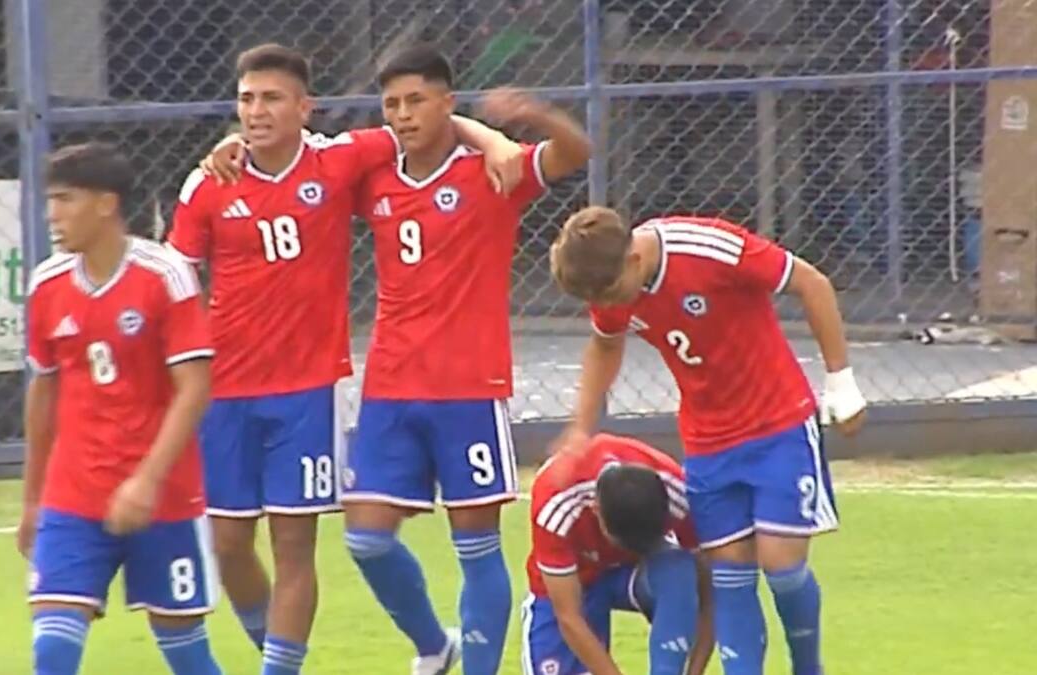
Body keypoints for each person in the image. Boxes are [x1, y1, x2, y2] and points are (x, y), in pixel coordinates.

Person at [173, 43, 523, 675]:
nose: (257, 111)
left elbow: (430, 121)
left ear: (305, 108)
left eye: (273, 98)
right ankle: (417, 649)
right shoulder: (208, 183)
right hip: (223, 391)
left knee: (296, 543)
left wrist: (492, 139)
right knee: (227, 546)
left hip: (307, 389)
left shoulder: (341, 159)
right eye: (247, 99)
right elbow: (176, 282)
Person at [339, 46, 591, 675]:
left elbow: (575, 154)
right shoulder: (372, 174)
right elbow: (302, 165)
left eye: (416, 100)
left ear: (446, 103)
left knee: (476, 547)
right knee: (365, 537)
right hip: (390, 387)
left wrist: (529, 116)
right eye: (392, 104)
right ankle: (433, 644)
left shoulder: (494, 172)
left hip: (468, 389)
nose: (403, 115)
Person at [549, 209, 869, 675]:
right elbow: (605, 343)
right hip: (707, 442)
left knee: (781, 567)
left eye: (612, 292)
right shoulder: (612, 284)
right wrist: (581, 425)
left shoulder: (706, 248)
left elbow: (811, 282)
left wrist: (841, 381)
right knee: (729, 575)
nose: (609, 303)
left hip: (777, 424)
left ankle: (808, 667)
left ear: (635, 259)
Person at [19, 143, 222, 675]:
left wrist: (147, 481)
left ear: (106, 204)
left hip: (165, 498)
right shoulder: (47, 285)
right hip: (74, 495)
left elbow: (194, 388)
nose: (52, 215)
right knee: (53, 649)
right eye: (50, 200)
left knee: (187, 651)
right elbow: (43, 395)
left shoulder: (165, 275)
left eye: (64, 200)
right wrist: (32, 500)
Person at [524, 432, 714, 675]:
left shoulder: (677, 493)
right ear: (596, 510)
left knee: (678, 572)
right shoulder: (556, 504)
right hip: (574, 582)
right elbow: (568, 616)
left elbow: (710, 596)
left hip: (636, 574)